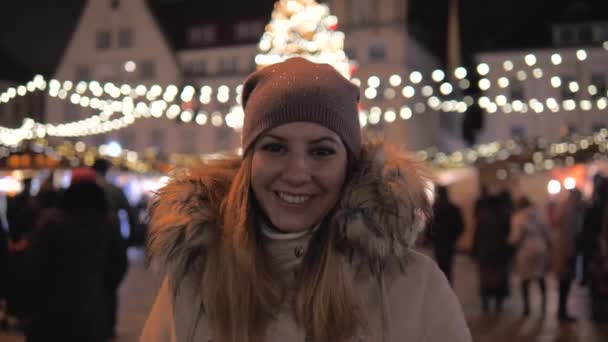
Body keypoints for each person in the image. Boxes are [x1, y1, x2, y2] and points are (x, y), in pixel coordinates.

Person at [140, 57, 472, 342]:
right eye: (274, 147)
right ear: (249, 160)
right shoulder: (193, 278)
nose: (297, 172)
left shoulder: (416, 286)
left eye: (322, 151)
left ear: (349, 165)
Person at [21, 168, 127, 341]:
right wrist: (102, 288)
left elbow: (34, 266)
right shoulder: (109, 222)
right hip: (93, 310)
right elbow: (119, 263)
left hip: (50, 311)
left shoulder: (51, 221)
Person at [92, 158, 133, 339]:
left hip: (90, 241)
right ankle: (108, 328)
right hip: (111, 239)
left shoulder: (87, 188)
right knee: (109, 287)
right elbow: (129, 212)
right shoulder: (114, 190)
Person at [472, 188, 513, 314]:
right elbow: (509, 236)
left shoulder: (482, 217)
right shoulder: (505, 217)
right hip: (500, 253)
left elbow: (477, 235)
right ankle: (498, 304)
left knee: (485, 277)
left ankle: (486, 304)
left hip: (485, 252)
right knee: (500, 278)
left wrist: (474, 251)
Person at [508, 196, 551, 317]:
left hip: (525, 249)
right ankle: (544, 306)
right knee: (540, 277)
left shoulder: (518, 217)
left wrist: (508, 242)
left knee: (525, 278)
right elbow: (547, 232)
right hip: (541, 247)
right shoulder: (540, 215)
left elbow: (515, 237)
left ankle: (527, 308)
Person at [552, 188, 584, 323]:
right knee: (564, 282)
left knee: (563, 282)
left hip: (563, 249)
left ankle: (562, 311)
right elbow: (570, 233)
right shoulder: (571, 211)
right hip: (566, 250)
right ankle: (562, 311)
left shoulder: (565, 207)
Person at [426, 185, 464, 285]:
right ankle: (447, 288)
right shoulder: (453, 208)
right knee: (448, 267)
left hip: (438, 242)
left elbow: (429, 227)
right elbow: (460, 225)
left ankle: (442, 288)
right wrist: (455, 237)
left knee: (440, 266)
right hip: (449, 242)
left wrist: (430, 239)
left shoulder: (435, 209)